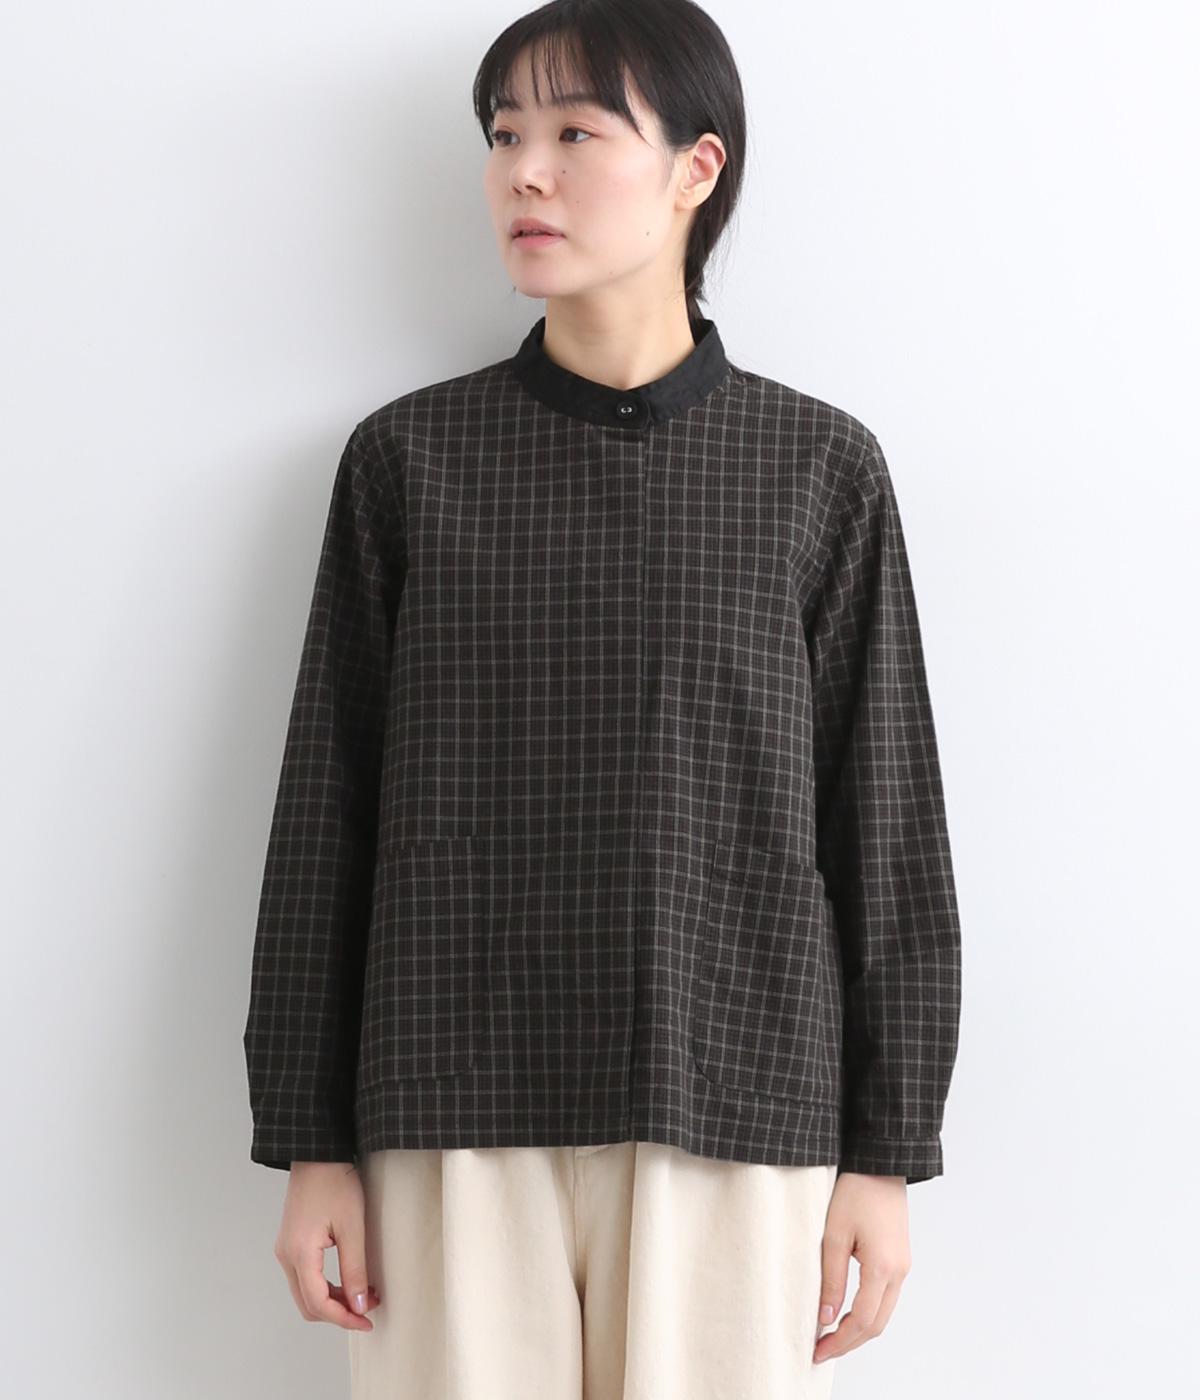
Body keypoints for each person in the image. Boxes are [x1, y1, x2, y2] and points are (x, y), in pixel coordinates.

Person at [241, 2, 963, 1396]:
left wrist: (886, 1153)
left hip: (731, 1102)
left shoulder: (816, 470)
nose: (524, 171)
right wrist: (308, 1138)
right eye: (504, 133)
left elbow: (884, 824)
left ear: (697, 166)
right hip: (449, 1107)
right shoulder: (409, 462)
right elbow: (327, 812)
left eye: (576, 133)